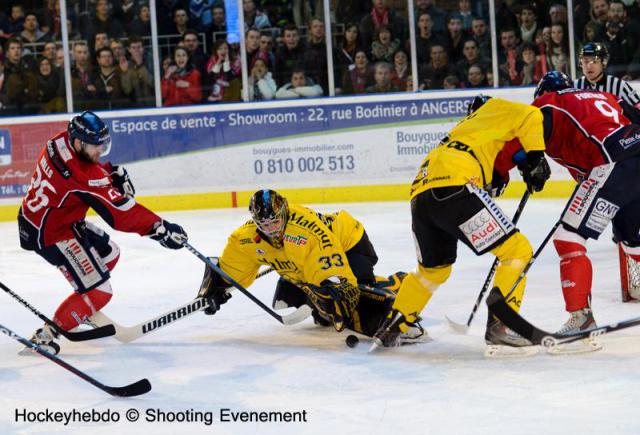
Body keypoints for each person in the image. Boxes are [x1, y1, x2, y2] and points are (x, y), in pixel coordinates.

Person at [372, 95, 551, 351]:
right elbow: (533, 116)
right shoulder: (494, 109)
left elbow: (491, 174)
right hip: (456, 185)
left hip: (421, 193)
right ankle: (502, 326)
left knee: (433, 271)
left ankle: (392, 328)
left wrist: (523, 165)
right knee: (517, 251)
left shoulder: (464, 131)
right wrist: (536, 159)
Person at [17, 111, 188, 355]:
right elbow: (120, 213)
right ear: (78, 142)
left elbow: (84, 172)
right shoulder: (84, 175)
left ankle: (80, 308)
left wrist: (109, 173)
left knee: (109, 253)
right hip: (52, 234)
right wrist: (158, 227)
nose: (100, 151)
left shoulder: (58, 141)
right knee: (100, 292)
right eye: (95, 146)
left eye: (103, 145)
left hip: (45, 219)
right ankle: (46, 335)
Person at [196, 189, 423, 341]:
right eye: (264, 224)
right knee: (324, 316)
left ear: (284, 213)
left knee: (353, 297)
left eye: (275, 221)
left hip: (349, 244)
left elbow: (329, 264)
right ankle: (300, 290)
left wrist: (337, 287)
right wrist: (218, 285)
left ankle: (396, 282)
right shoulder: (245, 238)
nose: (272, 229)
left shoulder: (305, 231)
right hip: (308, 260)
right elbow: (233, 267)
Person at [530, 71, 640, 336]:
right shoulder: (605, 95)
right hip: (635, 155)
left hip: (613, 161)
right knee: (630, 238)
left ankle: (580, 317)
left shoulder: (549, 102)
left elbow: (527, 131)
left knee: (568, 237)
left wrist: (529, 161)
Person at [575, 42, 640, 108]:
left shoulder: (620, 86)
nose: (589, 66)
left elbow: (638, 109)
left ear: (603, 63)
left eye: (594, 62)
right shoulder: (575, 86)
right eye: (585, 62)